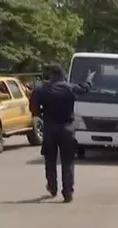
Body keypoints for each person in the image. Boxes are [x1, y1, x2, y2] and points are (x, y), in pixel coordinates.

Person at [29, 63, 95, 203]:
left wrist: (41, 115)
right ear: (62, 74)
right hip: (67, 128)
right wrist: (89, 78)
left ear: (51, 75)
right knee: (68, 161)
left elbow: (33, 107)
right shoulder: (69, 88)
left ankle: (52, 187)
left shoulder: (42, 90)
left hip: (50, 128)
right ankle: (68, 192)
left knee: (50, 160)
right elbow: (85, 88)